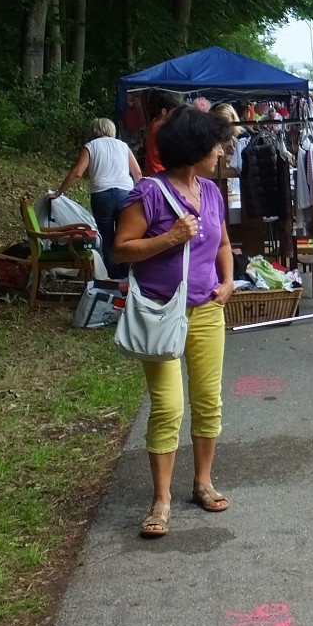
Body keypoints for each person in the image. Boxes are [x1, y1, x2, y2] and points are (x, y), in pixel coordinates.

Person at [112, 107, 235, 538]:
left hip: (206, 310)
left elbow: (222, 241)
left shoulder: (212, 192)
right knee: (168, 406)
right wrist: (168, 239)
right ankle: (161, 499)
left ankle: (202, 482)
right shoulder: (148, 193)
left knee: (208, 400)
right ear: (193, 148)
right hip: (161, 312)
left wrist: (228, 279)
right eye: (215, 144)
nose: (221, 152)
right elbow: (121, 249)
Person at [49, 117, 142, 279]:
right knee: (125, 236)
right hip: (125, 195)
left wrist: (59, 192)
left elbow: (77, 173)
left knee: (106, 237)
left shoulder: (90, 146)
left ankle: (111, 277)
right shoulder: (123, 146)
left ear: (94, 131)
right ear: (111, 130)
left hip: (102, 195)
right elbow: (138, 174)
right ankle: (127, 276)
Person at [144, 95, 178, 176]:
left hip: (153, 169)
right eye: (172, 112)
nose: (174, 116)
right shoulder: (159, 128)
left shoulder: (154, 123)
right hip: (160, 170)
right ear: (164, 111)